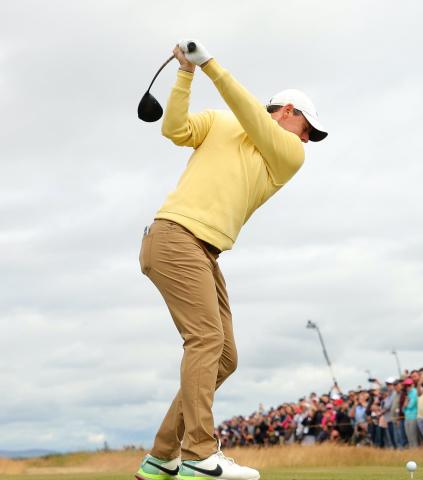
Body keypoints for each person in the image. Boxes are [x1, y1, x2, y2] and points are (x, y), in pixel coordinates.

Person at [136, 40, 326, 480]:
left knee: (225, 357)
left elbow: (250, 115)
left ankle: (162, 455)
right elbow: (175, 130)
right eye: (307, 129)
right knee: (205, 340)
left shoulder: (288, 155)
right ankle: (200, 453)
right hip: (175, 236)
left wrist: (209, 66)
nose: (307, 140)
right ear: (288, 111)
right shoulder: (224, 123)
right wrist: (185, 74)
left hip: (202, 249)